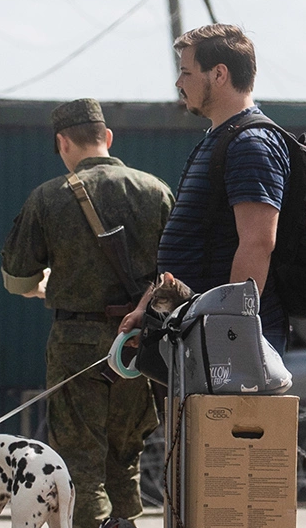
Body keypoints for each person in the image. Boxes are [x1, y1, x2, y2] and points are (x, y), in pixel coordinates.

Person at [0, 98, 172, 528]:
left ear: (62, 142)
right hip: (136, 346)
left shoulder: (50, 196)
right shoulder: (154, 191)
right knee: (125, 459)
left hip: (76, 346)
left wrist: (47, 286)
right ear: (108, 138)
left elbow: (18, 278)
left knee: (80, 463)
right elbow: (174, 275)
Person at [123, 24, 291, 352]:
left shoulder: (250, 143)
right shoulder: (218, 140)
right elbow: (188, 242)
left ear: (218, 74)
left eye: (186, 72)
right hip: (198, 339)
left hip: (230, 347)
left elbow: (257, 244)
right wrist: (146, 308)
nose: (178, 83)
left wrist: (230, 332)